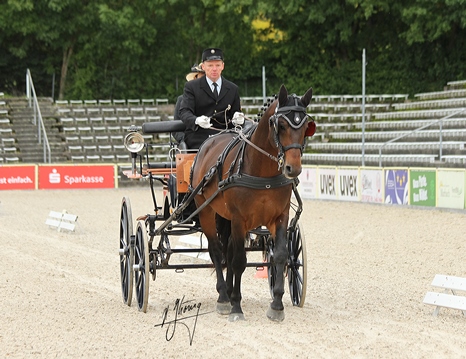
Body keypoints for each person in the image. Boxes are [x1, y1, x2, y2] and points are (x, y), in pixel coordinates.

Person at [179, 47, 244, 149]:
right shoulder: (192, 87)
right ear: (203, 66)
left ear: (223, 66)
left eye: (217, 65)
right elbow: (184, 112)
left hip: (226, 136)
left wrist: (239, 119)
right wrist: (196, 120)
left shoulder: (233, 89)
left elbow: (235, 113)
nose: (214, 69)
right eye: (210, 65)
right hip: (199, 136)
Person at [172, 63, 205, 145]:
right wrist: (184, 140)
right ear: (194, 78)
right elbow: (176, 128)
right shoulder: (182, 100)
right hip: (192, 143)